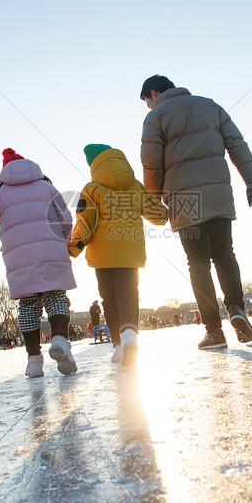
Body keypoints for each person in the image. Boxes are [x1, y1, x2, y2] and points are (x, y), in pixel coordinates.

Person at [140, 75, 252, 350]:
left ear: (153, 93)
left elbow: (152, 164)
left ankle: (214, 331)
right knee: (224, 253)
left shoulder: (155, 117)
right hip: (218, 192)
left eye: (147, 102)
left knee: (197, 262)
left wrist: (154, 199)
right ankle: (236, 308)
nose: (149, 107)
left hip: (184, 198)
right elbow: (236, 143)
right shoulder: (211, 106)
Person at [0, 148, 77, 378]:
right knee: (56, 297)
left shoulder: (0, 194)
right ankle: (59, 339)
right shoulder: (47, 187)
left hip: (19, 260)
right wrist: (63, 242)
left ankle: (34, 360)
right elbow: (66, 218)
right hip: (52, 251)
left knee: (28, 307)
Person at [68, 144, 168, 366]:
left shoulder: (92, 189)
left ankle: (117, 345)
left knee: (109, 299)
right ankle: (130, 336)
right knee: (129, 293)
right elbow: (158, 215)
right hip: (131, 252)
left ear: (94, 166)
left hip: (102, 256)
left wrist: (74, 246)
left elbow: (86, 221)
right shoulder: (135, 187)